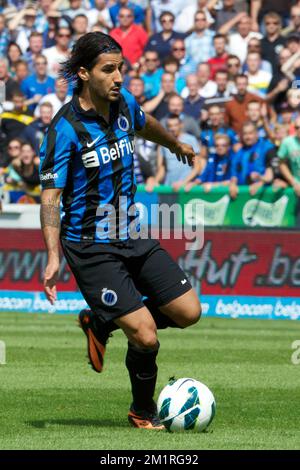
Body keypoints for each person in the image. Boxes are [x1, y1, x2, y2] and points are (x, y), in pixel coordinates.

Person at [39, 32, 201, 430]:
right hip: (91, 245)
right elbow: (50, 196)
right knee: (146, 336)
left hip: (131, 231)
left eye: (120, 69)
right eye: (108, 70)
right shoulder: (64, 129)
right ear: (83, 73)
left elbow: (147, 125)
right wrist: (54, 255)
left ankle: (101, 322)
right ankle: (142, 413)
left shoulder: (123, 104)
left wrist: (174, 144)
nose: (118, 78)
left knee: (188, 312)